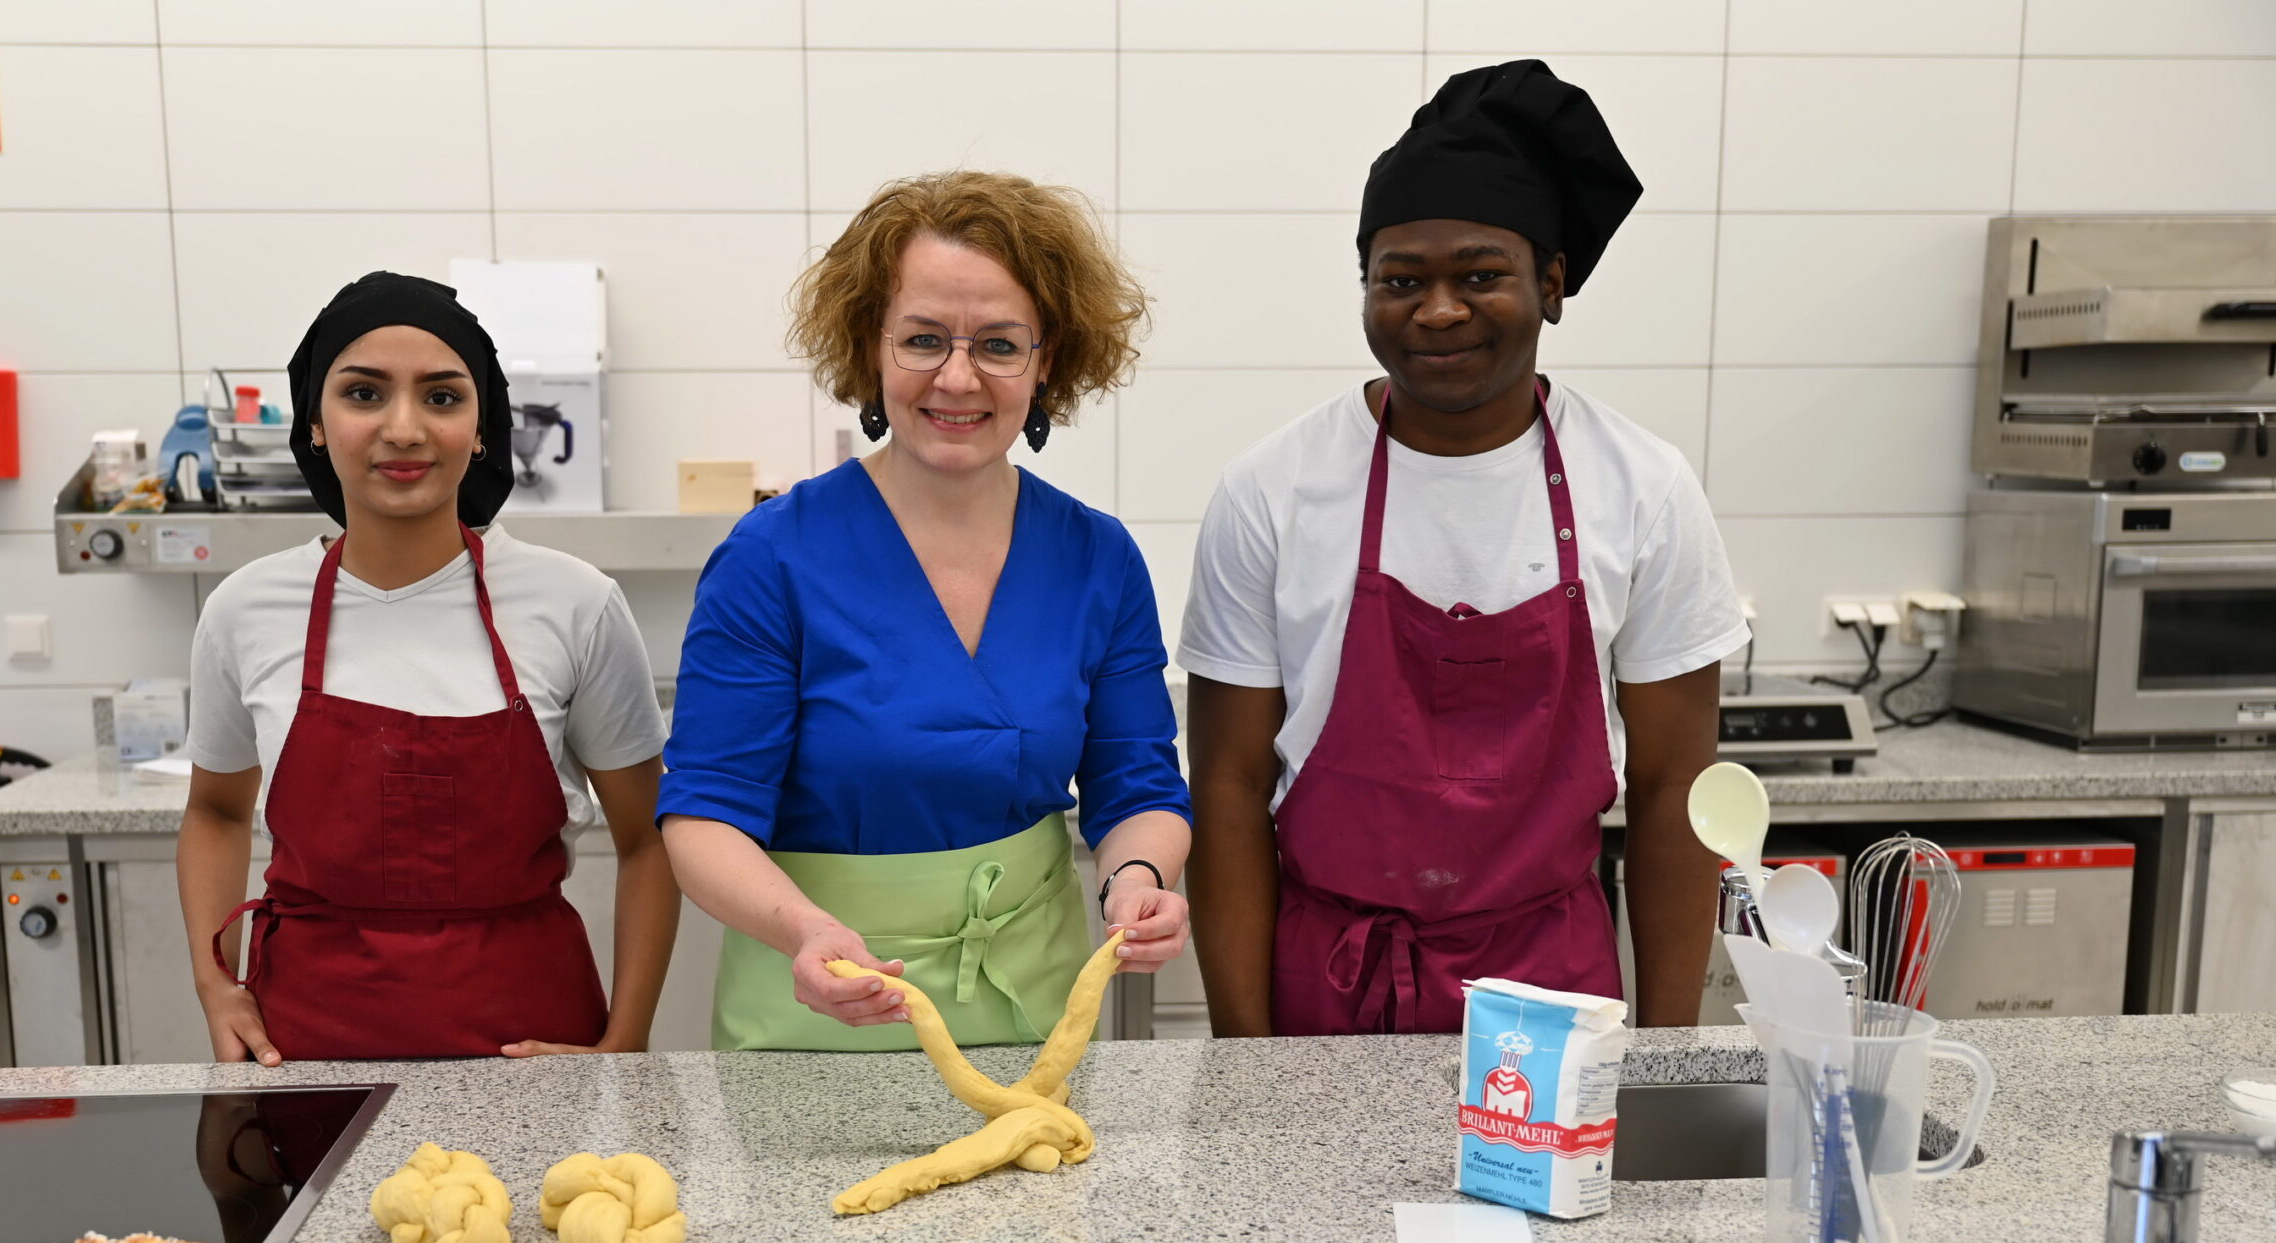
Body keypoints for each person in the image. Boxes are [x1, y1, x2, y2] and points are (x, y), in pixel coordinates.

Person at [1180, 60, 1746, 1036]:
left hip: (1552, 989)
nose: (1436, 309)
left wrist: (1665, 1054)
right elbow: (1227, 793)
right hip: (1328, 984)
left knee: (1549, 1200)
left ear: (1552, 284)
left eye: (1478, 274)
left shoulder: (1642, 487)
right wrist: (1245, 1063)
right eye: (1400, 280)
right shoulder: (1271, 488)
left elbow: (1673, 793)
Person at [658, 171, 1191, 1051]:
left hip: (1033, 1012)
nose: (958, 376)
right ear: (872, 347)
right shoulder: (772, 557)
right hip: (819, 1006)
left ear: (1047, 358)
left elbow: (1136, 780)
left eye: (999, 344)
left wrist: (1135, 876)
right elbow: (705, 816)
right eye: (923, 339)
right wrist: (804, 931)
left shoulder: (1097, 558)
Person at [179, 272, 676, 1064]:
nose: (404, 427)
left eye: (442, 397)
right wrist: (217, 985)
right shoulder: (246, 610)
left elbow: (649, 839)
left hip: (531, 1047)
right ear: (315, 421)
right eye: (365, 393)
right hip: (305, 1051)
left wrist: (626, 1042)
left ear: (482, 427)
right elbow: (215, 811)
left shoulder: (574, 603)